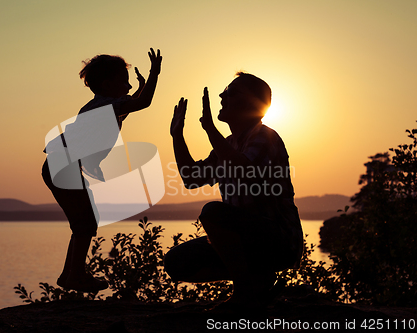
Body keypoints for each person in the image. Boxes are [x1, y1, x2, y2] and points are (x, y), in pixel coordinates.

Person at [165, 72, 303, 310]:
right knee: (176, 262)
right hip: (246, 239)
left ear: (253, 104)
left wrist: (209, 129)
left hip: (279, 241)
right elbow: (190, 178)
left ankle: (244, 294)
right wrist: (177, 136)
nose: (222, 95)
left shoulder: (265, 137)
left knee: (213, 213)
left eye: (232, 92)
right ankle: (259, 281)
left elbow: (242, 169)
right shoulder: (227, 144)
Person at [42, 48, 162, 292]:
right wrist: (154, 74)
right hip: (64, 166)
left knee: (83, 223)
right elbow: (143, 103)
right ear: (107, 85)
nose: (128, 88)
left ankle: (70, 275)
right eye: (125, 83)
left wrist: (138, 89)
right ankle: (74, 275)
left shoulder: (105, 106)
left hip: (62, 166)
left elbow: (130, 107)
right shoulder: (103, 106)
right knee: (85, 223)